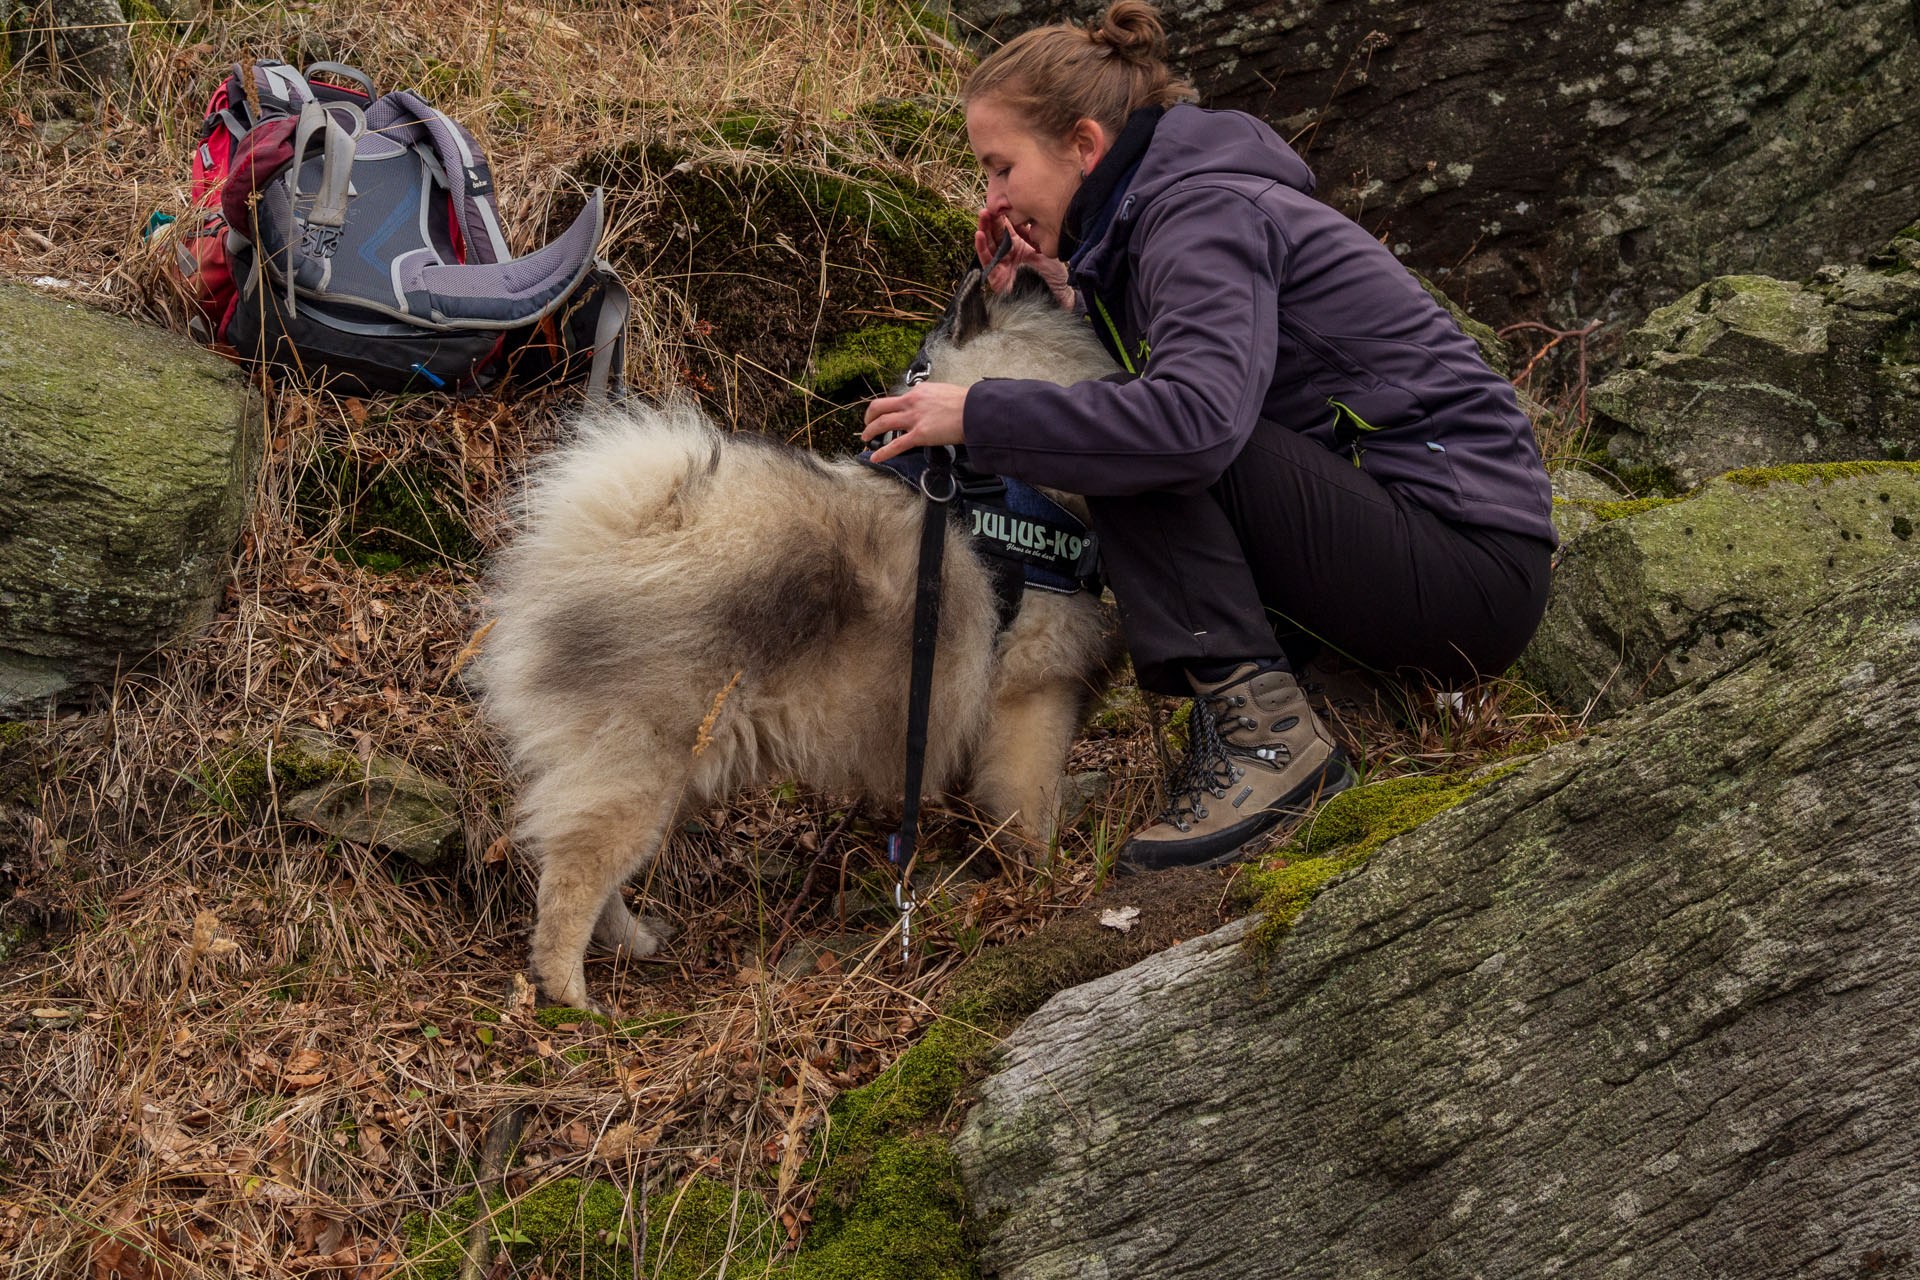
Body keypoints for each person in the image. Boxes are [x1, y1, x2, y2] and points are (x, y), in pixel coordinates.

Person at [862, 0, 1556, 872]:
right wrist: (1062, 283)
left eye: (1002, 169)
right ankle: (1289, 701)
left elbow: (1194, 425)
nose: (993, 198)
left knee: (1139, 437)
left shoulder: (1200, 212)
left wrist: (980, 412)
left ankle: (1265, 742)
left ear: (1083, 145)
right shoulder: (1174, 209)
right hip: (1433, 553)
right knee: (1133, 420)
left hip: (1464, 567)